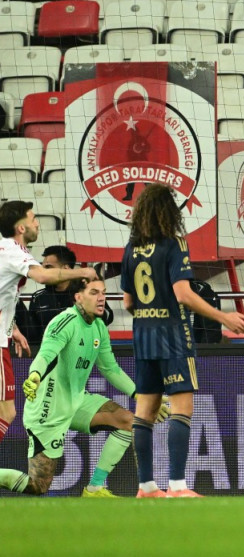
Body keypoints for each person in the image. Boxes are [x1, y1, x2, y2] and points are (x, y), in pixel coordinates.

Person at [122, 184, 244, 499]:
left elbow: (127, 302)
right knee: (182, 408)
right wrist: (224, 318)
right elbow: (183, 294)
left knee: (145, 411)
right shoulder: (174, 244)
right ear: (169, 212)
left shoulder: (131, 249)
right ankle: (178, 486)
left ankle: (146, 487)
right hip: (172, 337)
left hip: (143, 337)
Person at [0, 277, 169, 497]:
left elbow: (111, 369)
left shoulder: (99, 326)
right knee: (37, 486)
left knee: (129, 421)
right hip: (49, 408)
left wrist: (140, 395)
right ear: (78, 297)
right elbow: (45, 354)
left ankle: (94, 488)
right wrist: (34, 375)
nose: (101, 298)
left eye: (104, 292)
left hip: (77, 401)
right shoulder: (64, 322)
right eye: (94, 292)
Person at [0, 201, 97, 448]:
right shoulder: (12, 250)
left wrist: (14, 329)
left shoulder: (5, 251)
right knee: (6, 413)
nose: (37, 223)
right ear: (21, 227)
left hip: (3, 336)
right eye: (33, 218)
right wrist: (82, 272)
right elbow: (43, 275)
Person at [17, 245, 114, 345]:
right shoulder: (38, 298)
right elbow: (32, 335)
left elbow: (107, 317)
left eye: (48, 267)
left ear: (66, 269)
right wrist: (15, 301)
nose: (44, 272)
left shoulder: (84, 293)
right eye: (43, 267)